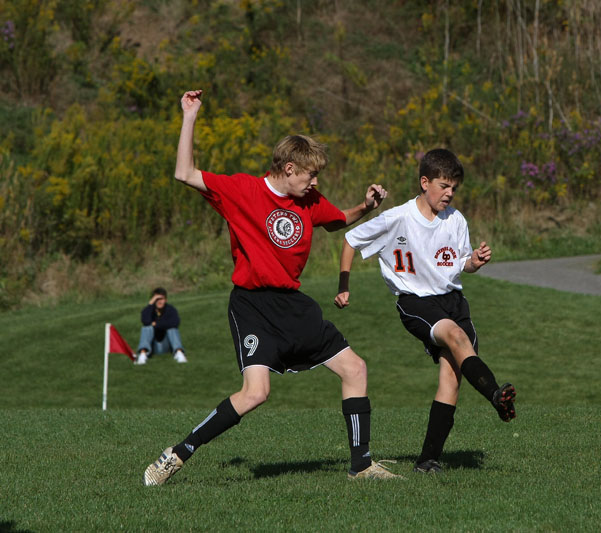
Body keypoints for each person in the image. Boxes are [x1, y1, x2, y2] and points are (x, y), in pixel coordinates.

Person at [142, 89, 401, 485]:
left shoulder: (309, 200)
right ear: (290, 168)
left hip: (292, 304)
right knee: (255, 393)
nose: (315, 182)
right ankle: (177, 454)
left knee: (355, 367)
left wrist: (365, 206)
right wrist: (189, 116)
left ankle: (361, 465)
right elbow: (184, 173)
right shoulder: (242, 190)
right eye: (311, 174)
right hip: (252, 305)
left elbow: (335, 221)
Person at [334, 148, 516, 474]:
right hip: (417, 302)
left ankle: (427, 460)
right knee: (457, 336)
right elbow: (350, 239)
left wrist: (473, 262)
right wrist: (343, 285)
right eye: (444, 186)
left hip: (453, 301)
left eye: (454, 188)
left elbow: (459, 263)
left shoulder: (456, 220)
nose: (449, 193)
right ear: (424, 182)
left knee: (451, 377)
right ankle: (495, 395)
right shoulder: (398, 218)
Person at [135, 287, 187, 365]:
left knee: (172, 329)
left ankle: (179, 353)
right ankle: (143, 354)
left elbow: (175, 323)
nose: (159, 302)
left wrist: (156, 324)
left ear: (165, 300)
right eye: (157, 299)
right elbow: (145, 321)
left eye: (161, 299)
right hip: (153, 344)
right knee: (147, 328)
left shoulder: (171, 310)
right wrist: (150, 304)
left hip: (166, 343)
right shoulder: (150, 310)